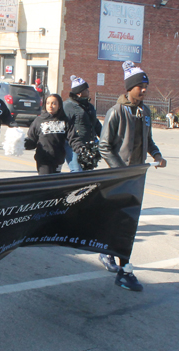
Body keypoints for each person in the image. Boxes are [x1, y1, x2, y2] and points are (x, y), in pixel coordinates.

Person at [98, 61, 167, 291]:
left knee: (126, 221)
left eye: (146, 85)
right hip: (120, 177)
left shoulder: (145, 112)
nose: (144, 89)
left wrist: (156, 155)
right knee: (124, 222)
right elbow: (105, 146)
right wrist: (122, 171)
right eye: (140, 86)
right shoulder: (116, 111)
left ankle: (109, 253)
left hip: (137, 177)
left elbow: (148, 140)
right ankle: (124, 270)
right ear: (130, 88)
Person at [24, 94, 83, 175]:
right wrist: (22, 143)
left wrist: (80, 149)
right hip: (43, 159)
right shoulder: (39, 120)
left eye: (53, 103)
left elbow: (73, 138)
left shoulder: (65, 121)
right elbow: (32, 140)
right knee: (46, 184)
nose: (50, 106)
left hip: (58, 159)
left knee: (55, 184)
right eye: (48, 103)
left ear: (59, 105)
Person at [63, 75, 102, 172]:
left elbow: (95, 123)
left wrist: (104, 136)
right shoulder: (68, 106)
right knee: (77, 171)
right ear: (79, 93)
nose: (88, 91)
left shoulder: (89, 107)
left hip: (90, 145)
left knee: (88, 172)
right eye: (86, 90)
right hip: (74, 145)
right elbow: (64, 125)